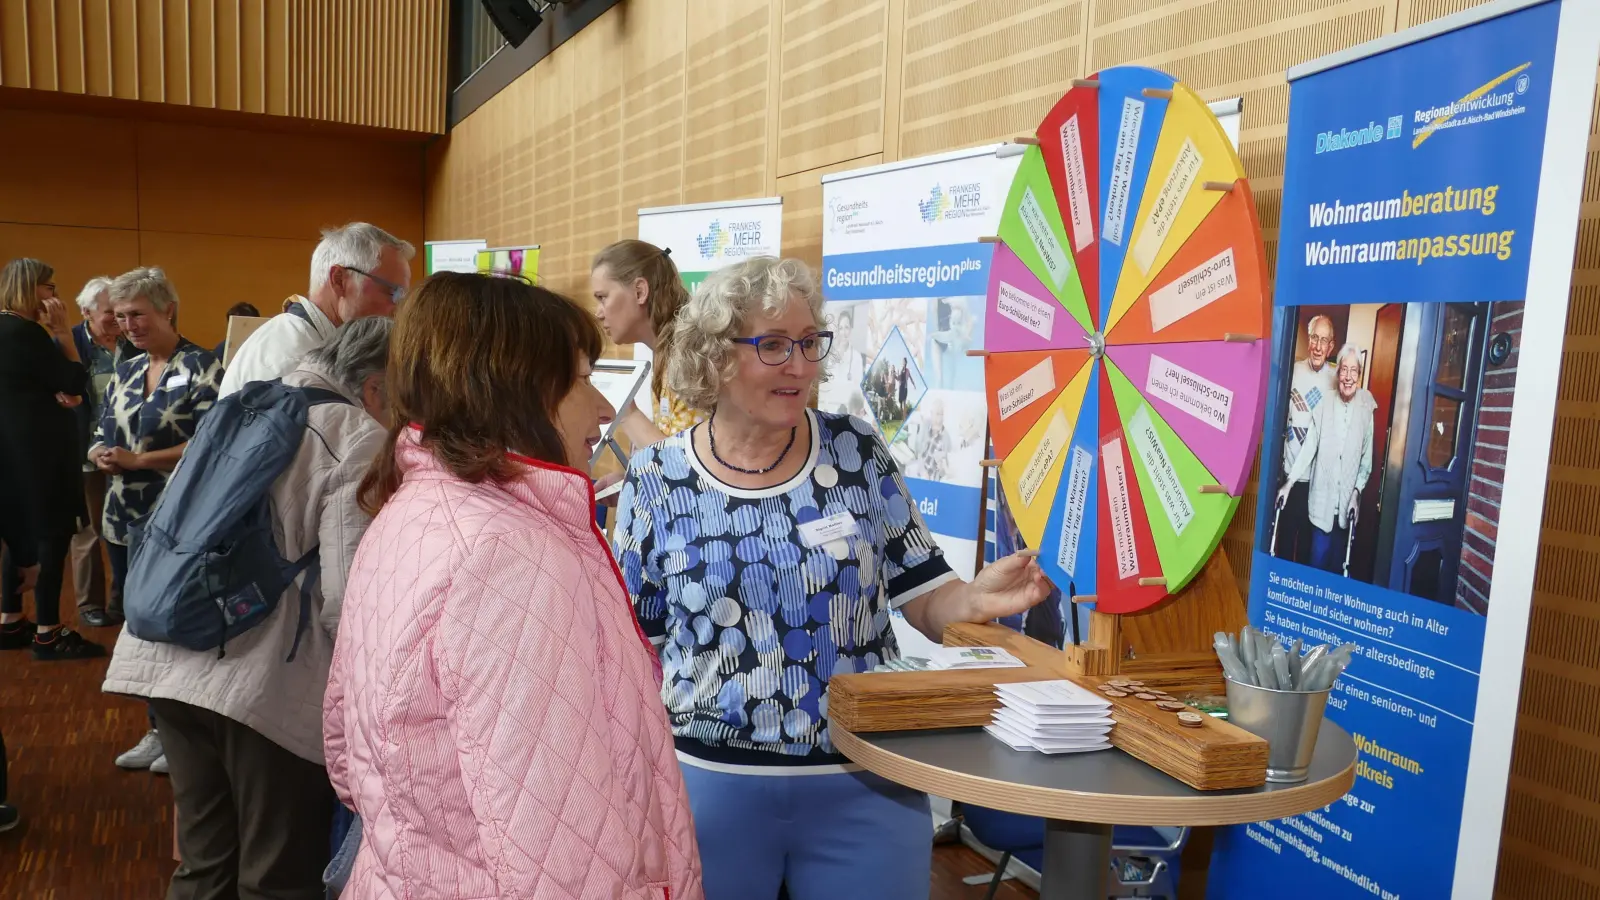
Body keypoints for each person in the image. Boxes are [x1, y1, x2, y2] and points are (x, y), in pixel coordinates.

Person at [613, 257, 1051, 900]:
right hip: (709, 788)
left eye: (809, 342)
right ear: (715, 357)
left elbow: (925, 593)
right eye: (772, 345)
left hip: (866, 778)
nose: (800, 365)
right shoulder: (657, 478)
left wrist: (974, 597)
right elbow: (634, 649)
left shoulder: (855, 451)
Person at [324, 273, 702, 900]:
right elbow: (563, 850)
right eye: (582, 379)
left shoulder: (418, 509)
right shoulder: (509, 555)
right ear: (515, 387)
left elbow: (345, 748)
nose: (605, 409)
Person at [103, 317, 392, 900]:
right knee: (275, 873)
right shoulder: (355, 434)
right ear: (375, 386)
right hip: (262, 685)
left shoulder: (242, 405)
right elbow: (347, 594)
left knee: (205, 863)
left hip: (169, 655)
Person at [91, 267, 224, 773]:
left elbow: (211, 443)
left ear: (168, 309)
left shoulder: (205, 366)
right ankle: (156, 728)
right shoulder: (125, 369)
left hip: (175, 520)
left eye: (138, 314)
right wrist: (103, 453)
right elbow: (103, 429)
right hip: (122, 519)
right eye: (121, 316)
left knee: (175, 626)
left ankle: (183, 735)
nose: (128, 325)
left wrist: (139, 461)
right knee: (136, 628)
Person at [0, 258, 105, 660]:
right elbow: (74, 381)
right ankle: (48, 631)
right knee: (51, 534)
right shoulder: (26, 333)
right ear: (30, 288)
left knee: (19, 533)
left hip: (13, 452)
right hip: (40, 453)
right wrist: (63, 334)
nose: (56, 297)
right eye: (50, 288)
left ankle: (10, 620)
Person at [220, 222, 413, 397]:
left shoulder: (308, 344)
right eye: (391, 292)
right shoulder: (294, 365)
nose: (398, 309)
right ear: (339, 280)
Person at [71, 276, 138, 628]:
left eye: (121, 311)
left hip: (127, 454)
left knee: (124, 528)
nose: (118, 319)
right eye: (109, 312)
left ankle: (122, 600)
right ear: (86, 312)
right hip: (86, 452)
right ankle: (88, 603)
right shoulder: (69, 344)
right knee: (89, 531)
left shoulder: (132, 344)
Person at [590, 239, 703, 443]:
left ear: (640, 292)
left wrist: (626, 411)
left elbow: (683, 465)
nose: (598, 313)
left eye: (602, 297)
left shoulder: (691, 356)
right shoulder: (666, 351)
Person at [1277, 344, 1376, 575]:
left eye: (1354, 371)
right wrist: (1289, 483)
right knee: (1315, 568)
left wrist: (1356, 494)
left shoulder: (1365, 406)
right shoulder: (1323, 404)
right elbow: (1309, 447)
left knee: (1337, 574)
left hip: (1346, 511)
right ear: (1337, 372)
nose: (1348, 377)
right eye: (1344, 370)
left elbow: (1366, 461)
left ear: (1359, 375)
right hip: (1321, 507)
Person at [1276, 314, 1339, 564]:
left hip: (1314, 482)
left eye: (1324, 340)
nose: (1318, 346)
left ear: (1331, 346)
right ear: (1308, 338)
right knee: (1282, 544)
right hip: (1288, 474)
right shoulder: (1292, 371)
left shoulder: (1335, 380)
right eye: (1314, 337)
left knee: (1305, 550)